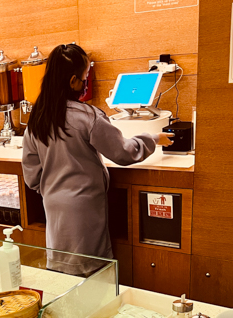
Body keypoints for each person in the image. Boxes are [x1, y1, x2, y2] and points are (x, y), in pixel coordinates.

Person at [22, 44, 174, 275]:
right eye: (85, 76)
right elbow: (124, 152)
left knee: (62, 268)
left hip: (53, 205)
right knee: (90, 269)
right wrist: (153, 138)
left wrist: (54, 188)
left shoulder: (37, 118)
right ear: (74, 81)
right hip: (84, 206)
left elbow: (31, 175)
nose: (85, 81)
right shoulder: (87, 116)